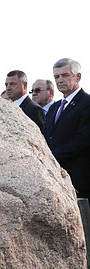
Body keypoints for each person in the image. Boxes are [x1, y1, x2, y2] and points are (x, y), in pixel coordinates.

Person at [44, 58, 90, 198]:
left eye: (65, 75)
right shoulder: (54, 107)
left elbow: (83, 140)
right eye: (56, 77)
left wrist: (52, 157)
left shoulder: (87, 103)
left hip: (79, 180)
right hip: (55, 178)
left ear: (78, 77)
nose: (60, 80)